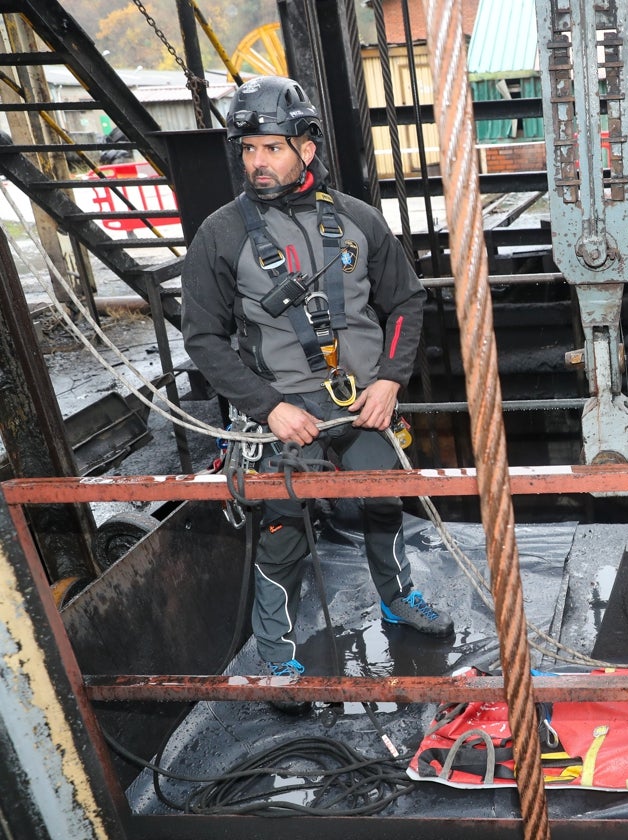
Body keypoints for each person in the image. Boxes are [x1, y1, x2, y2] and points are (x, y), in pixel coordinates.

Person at [181, 76, 451, 679]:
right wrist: (267, 407)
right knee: (283, 531)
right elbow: (202, 337)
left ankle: (398, 597)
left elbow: (405, 302)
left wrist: (388, 381)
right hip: (283, 409)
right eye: (248, 149)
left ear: (306, 147)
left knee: (384, 502)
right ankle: (277, 659)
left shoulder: (358, 221)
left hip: (363, 402)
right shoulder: (220, 235)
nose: (257, 162)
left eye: (271, 147)